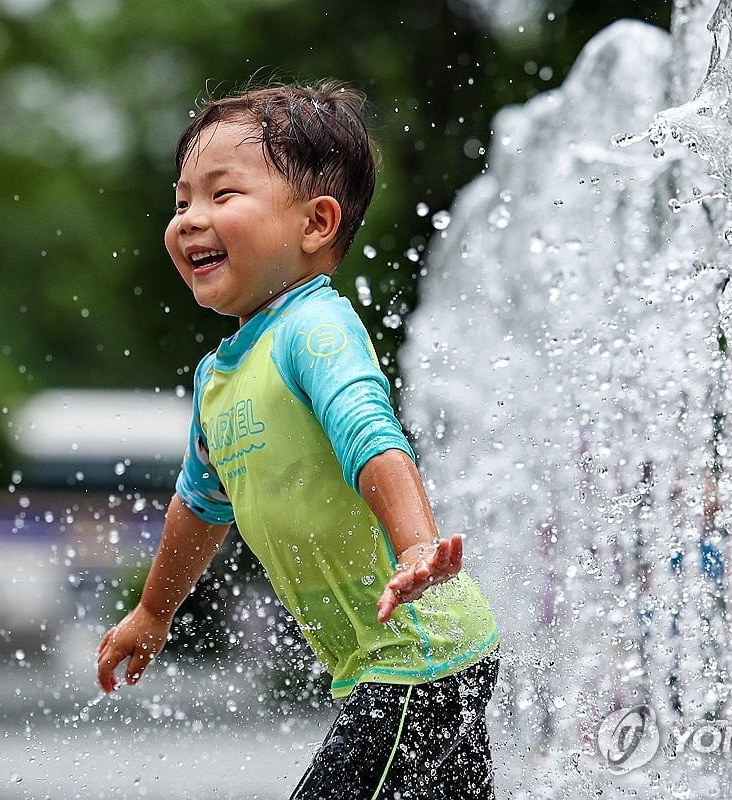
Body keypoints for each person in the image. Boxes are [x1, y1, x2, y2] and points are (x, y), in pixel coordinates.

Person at [95, 81, 500, 800]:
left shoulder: (314, 330)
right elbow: (200, 506)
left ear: (315, 223)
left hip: (419, 654)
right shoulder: (219, 378)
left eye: (222, 196)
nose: (190, 220)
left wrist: (415, 546)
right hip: (401, 660)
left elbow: (373, 438)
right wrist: (154, 611)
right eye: (183, 199)